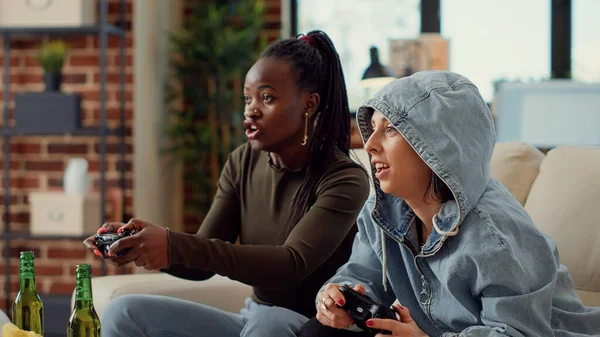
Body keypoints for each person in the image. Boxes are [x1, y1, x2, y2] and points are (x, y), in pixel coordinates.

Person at [83, 30, 370, 337]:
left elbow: (291, 264)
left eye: (267, 97)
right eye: (248, 98)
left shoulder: (345, 179)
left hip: (313, 328)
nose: (251, 111)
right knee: (122, 312)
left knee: (269, 325)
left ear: (308, 105)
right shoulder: (242, 161)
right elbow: (199, 266)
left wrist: (172, 242)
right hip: (252, 321)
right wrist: (141, 246)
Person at [301, 71, 600, 337]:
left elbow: (517, 331)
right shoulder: (381, 213)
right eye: (373, 128)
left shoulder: (496, 236)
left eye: (390, 129)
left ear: (437, 144)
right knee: (316, 330)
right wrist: (336, 299)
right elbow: (360, 276)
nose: (369, 145)